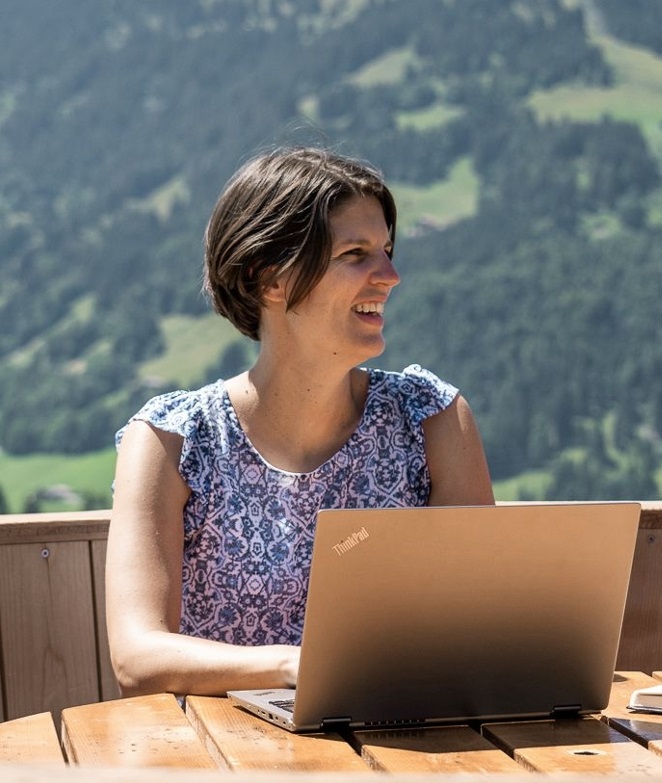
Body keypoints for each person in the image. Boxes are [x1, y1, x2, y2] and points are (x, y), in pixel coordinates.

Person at [106, 147, 495, 697]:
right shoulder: (171, 441)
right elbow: (138, 656)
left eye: (386, 250)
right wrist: (298, 667)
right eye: (356, 254)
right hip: (223, 760)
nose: (390, 275)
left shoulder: (431, 420)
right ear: (268, 278)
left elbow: (487, 620)